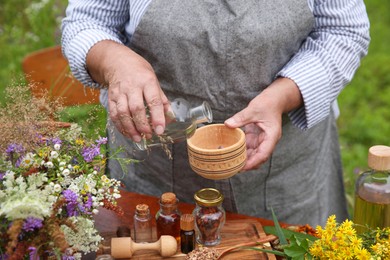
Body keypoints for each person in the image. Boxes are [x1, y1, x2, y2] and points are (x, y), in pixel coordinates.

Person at [61, 0, 370, 227]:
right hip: (156, 165)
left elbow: (343, 31)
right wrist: (116, 61)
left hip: (287, 170)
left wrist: (283, 95)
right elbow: (86, 22)